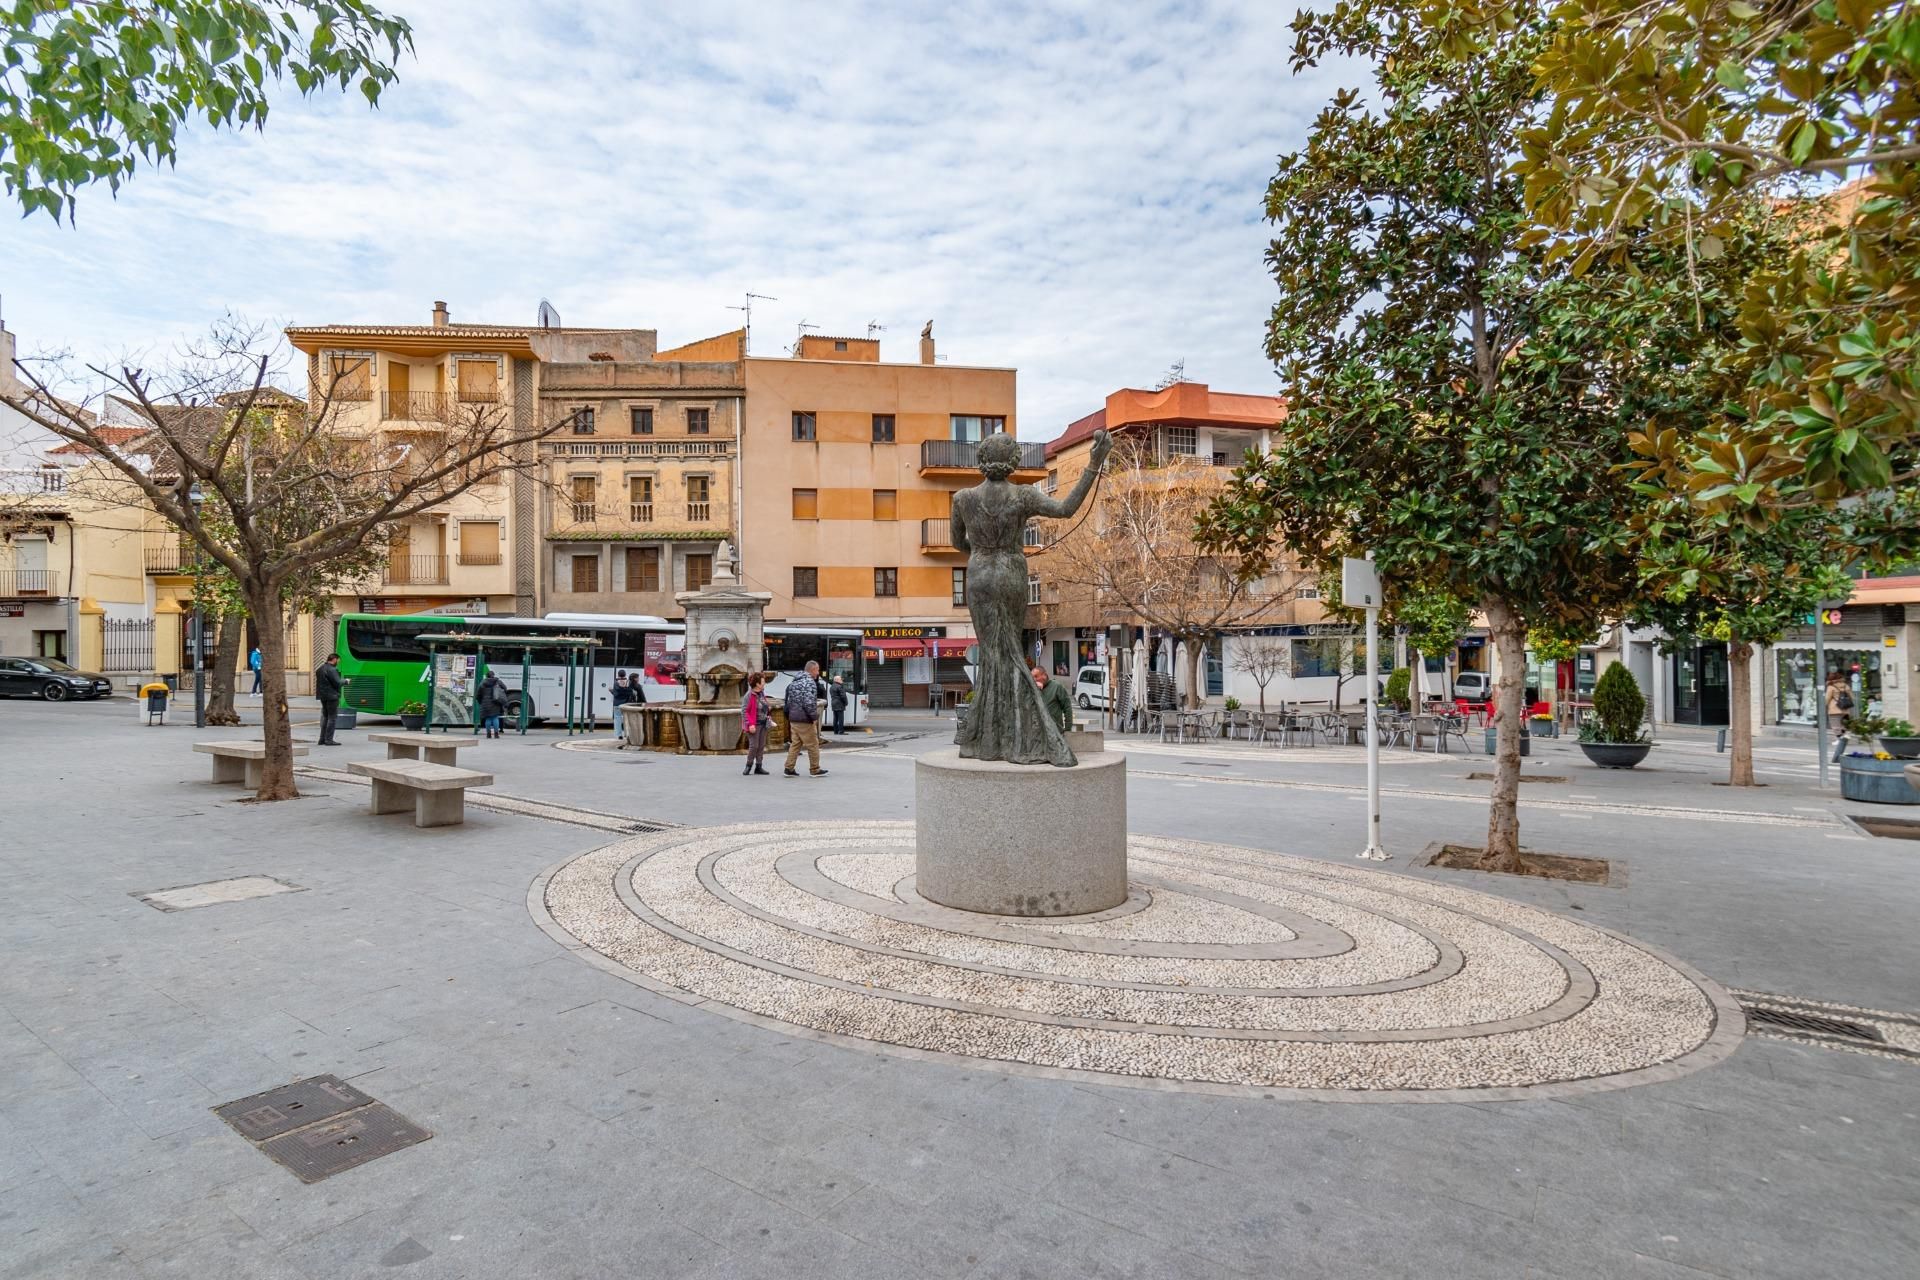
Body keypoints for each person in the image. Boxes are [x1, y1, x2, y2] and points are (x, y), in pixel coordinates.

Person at [951, 428, 1111, 765]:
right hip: (1010, 572)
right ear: (1012, 461)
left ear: (982, 460)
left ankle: (988, 739)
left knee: (993, 654)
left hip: (979, 575)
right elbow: (1066, 508)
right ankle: (1019, 734)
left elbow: (956, 542)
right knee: (1011, 649)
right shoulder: (1022, 496)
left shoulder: (962, 498)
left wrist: (979, 552)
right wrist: (1093, 464)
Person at [783, 660, 829, 777]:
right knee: (813, 744)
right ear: (812, 670)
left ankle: (789, 768)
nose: (818, 673)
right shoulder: (809, 682)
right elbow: (808, 703)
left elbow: (788, 701)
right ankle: (815, 769)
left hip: (794, 719)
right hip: (804, 719)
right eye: (817, 670)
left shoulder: (794, 682)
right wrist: (813, 717)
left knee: (795, 744)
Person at [742, 673, 771, 776]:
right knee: (754, 746)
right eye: (763, 681)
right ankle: (748, 765)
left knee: (761, 746)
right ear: (757, 684)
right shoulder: (749, 695)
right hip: (754, 725)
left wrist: (769, 717)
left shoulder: (761, 693)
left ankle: (759, 766)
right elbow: (744, 711)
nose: (764, 683)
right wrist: (750, 724)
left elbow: (765, 707)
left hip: (763, 724)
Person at [1033, 665, 1075, 736]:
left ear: (1044, 676)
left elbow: (1067, 708)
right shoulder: (1032, 689)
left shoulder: (1056, 687)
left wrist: (1068, 729)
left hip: (1055, 732)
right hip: (1038, 733)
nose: (1034, 679)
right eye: (1032, 677)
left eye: (1036, 676)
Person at [314, 653, 343, 745]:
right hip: (332, 696)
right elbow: (338, 682)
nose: (338, 662)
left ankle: (322, 739)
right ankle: (329, 740)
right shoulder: (332, 669)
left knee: (326, 717)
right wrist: (346, 681)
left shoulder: (320, 669)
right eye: (338, 660)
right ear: (334, 659)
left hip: (323, 696)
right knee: (332, 718)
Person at [1827, 670, 1855, 763]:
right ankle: (1843, 737)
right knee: (1844, 725)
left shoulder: (1831, 687)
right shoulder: (1846, 686)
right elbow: (1852, 697)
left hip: (1834, 709)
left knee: (1835, 725)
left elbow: (1827, 699)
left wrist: (1825, 706)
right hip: (1845, 709)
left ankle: (1839, 739)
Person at [477, 670, 508, 739]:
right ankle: (496, 734)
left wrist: (481, 702)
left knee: (488, 718)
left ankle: (488, 734)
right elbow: (505, 689)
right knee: (495, 717)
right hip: (496, 703)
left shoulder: (483, 683)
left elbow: (478, 694)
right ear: (493, 675)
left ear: (486, 676)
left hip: (485, 703)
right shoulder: (498, 682)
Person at [611, 670, 633, 741]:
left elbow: (615, 694)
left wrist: (611, 691)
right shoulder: (628, 682)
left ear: (618, 675)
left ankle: (619, 735)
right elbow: (630, 693)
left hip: (617, 703)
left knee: (617, 719)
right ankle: (627, 734)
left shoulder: (616, 683)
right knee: (626, 719)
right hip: (626, 703)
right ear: (625, 674)